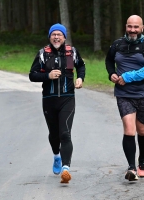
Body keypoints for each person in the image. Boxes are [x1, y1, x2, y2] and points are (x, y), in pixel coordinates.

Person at [29, 23, 86, 184]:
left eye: (59, 34)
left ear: (64, 37)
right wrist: (48, 75)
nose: (56, 37)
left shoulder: (72, 52)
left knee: (65, 133)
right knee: (54, 135)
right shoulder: (42, 54)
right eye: (53, 34)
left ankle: (66, 169)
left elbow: (81, 65)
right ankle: (56, 156)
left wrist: (80, 78)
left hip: (68, 98)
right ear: (49, 37)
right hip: (49, 99)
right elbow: (32, 75)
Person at [105, 15, 144, 181]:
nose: (132, 30)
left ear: (142, 28)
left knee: (142, 130)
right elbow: (108, 61)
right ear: (125, 27)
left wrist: (128, 76)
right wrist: (112, 73)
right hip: (123, 94)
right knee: (129, 130)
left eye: (136, 27)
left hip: (143, 93)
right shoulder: (117, 44)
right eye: (129, 26)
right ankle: (131, 168)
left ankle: (142, 160)